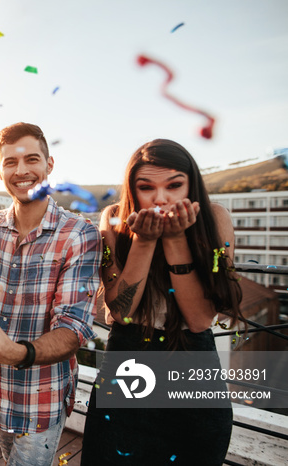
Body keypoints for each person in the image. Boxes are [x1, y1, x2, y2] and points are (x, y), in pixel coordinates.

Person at [80, 139, 243, 465]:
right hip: (128, 362)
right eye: (146, 187)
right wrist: (144, 241)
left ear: (190, 184)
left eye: (174, 185)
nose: (161, 198)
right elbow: (121, 313)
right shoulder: (113, 219)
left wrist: (175, 239)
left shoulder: (214, 218)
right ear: (133, 188)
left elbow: (198, 320)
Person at [0, 122, 102, 465]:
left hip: (42, 400)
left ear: (49, 165)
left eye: (31, 159)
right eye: (10, 163)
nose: (21, 171)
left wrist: (15, 353)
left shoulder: (79, 234)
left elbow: (73, 329)